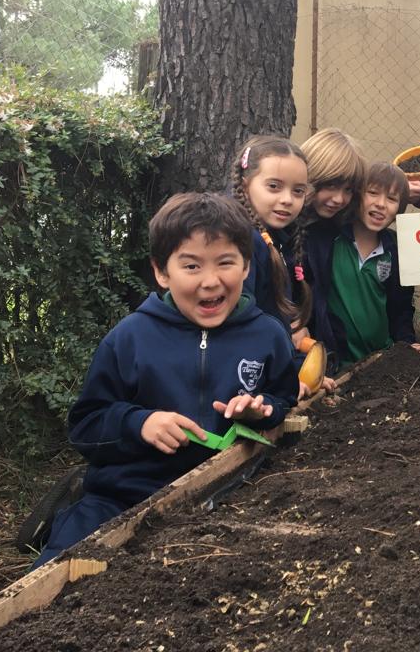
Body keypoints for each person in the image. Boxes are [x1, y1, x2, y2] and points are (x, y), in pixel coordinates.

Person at [34, 193, 298, 566]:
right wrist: (140, 422)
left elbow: (283, 398)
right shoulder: (130, 337)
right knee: (57, 573)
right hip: (124, 496)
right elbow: (87, 425)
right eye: (191, 267)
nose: (210, 281)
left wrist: (263, 410)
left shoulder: (267, 335)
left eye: (225, 262)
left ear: (246, 267)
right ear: (162, 272)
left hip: (228, 493)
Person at [323, 162, 420, 365]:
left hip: (379, 362)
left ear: (400, 208)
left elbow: (401, 309)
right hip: (333, 363)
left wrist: (405, 345)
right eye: (372, 193)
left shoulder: (396, 250)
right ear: (356, 196)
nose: (381, 204)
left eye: (391, 198)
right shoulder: (330, 238)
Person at [298, 128, 367, 371]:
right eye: (331, 186)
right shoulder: (286, 229)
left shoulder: (331, 227)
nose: (339, 199)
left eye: (348, 189)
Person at [230, 135, 311, 337]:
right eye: (274, 186)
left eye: (298, 191)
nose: (287, 200)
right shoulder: (240, 240)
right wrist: (282, 337)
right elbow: (238, 317)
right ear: (245, 185)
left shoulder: (279, 236)